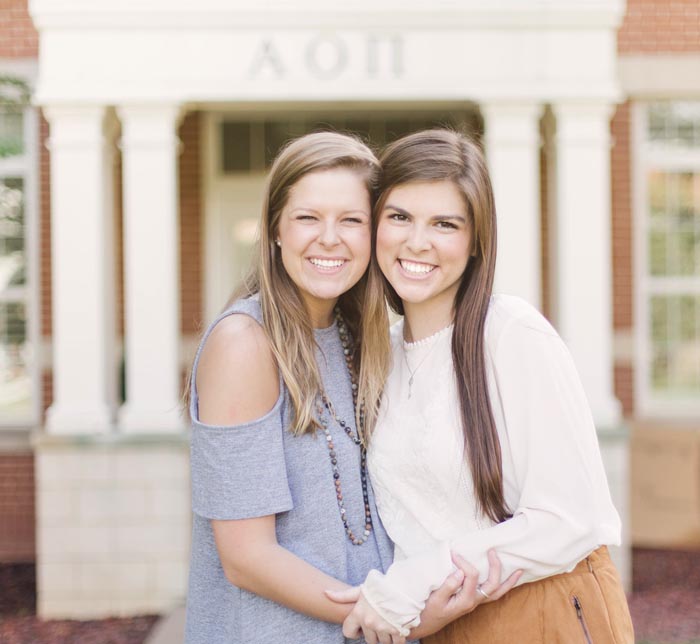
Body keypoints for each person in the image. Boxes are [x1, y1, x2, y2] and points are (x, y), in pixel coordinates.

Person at [183, 130, 516, 644]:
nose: (330, 238)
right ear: (275, 229)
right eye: (307, 218)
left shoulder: (359, 340)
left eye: (352, 220)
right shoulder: (244, 342)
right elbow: (246, 557)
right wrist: (388, 614)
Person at [330, 129, 635, 643]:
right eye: (400, 216)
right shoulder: (381, 353)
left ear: (475, 243)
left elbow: (570, 518)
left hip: (540, 612)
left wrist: (411, 582)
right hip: (438, 623)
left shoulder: (512, 333)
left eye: (444, 224)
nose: (417, 241)